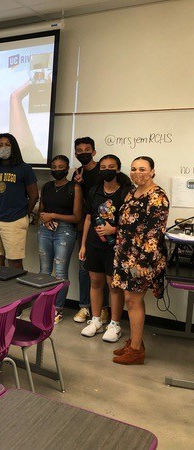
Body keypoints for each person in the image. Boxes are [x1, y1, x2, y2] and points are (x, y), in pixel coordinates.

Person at [112, 157, 169, 364]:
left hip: (142, 259)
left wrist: (143, 263)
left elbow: (154, 234)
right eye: (134, 169)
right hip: (126, 255)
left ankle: (136, 351)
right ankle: (135, 342)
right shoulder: (131, 193)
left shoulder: (157, 197)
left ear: (152, 171)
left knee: (133, 301)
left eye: (143, 169)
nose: (138, 172)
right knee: (130, 299)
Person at [79, 155, 132, 342]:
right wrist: (83, 244)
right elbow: (88, 218)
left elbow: (132, 223)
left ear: (118, 169)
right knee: (95, 282)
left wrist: (114, 229)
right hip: (94, 244)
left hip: (115, 247)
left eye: (111, 167)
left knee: (114, 286)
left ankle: (115, 324)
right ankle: (95, 320)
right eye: (103, 167)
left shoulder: (127, 192)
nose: (107, 170)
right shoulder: (94, 190)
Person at [37, 155, 83, 323]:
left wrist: (53, 216)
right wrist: (44, 218)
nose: (57, 170)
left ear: (67, 168)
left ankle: (57, 310)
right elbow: (40, 211)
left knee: (61, 273)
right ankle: (43, 307)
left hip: (65, 231)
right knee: (44, 271)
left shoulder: (74, 188)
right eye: (54, 167)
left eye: (60, 167)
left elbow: (77, 217)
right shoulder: (47, 186)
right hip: (45, 229)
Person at [0, 133, 39, 269]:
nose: (3, 148)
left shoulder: (24, 168)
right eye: (0, 145)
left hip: (15, 219)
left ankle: (16, 290)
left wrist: (23, 214)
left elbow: (34, 196)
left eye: (7, 145)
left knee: (14, 262)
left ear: (13, 147)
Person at [71, 137, 103, 323]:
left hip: (104, 230)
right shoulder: (78, 173)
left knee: (104, 272)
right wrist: (79, 185)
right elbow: (80, 204)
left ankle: (103, 310)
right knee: (84, 269)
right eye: (79, 150)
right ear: (75, 153)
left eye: (87, 149)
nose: (83, 153)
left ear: (94, 152)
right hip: (84, 228)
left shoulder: (104, 170)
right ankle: (85, 308)